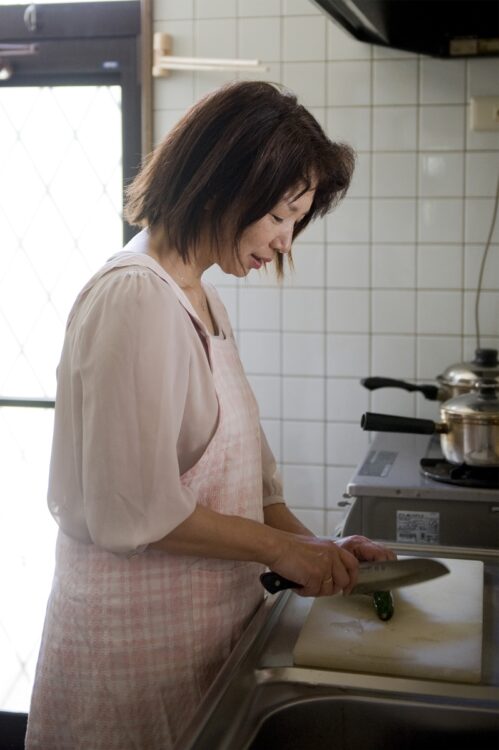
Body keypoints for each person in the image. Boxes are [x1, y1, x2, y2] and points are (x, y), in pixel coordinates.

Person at [25, 80, 395, 750]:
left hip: (200, 652)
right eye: (281, 216)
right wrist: (284, 551)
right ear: (227, 182)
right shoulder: (134, 298)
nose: (285, 242)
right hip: (129, 665)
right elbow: (132, 510)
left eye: (295, 222)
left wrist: (321, 550)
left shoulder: (202, 302)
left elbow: (249, 485)